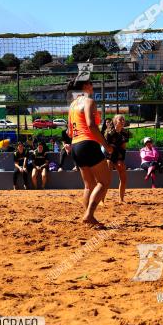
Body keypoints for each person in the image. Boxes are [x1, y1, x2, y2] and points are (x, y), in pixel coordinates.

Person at [66, 77, 112, 226]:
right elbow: (91, 126)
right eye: (91, 83)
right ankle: (89, 215)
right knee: (104, 182)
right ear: (85, 86)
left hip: (76, 146)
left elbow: (69, 132)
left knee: (89, 185)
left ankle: (89, 219)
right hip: (88, 144)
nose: (93, 86)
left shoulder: (72, 105)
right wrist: (106, 145)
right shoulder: (89, 102)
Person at [104, 114, 129, 203]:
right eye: (120, 120)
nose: (122, 121)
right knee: (106, 180)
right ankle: (101, 200)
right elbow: (107, 147)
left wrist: (121, 160)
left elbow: (123, 147)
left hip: (119, 155)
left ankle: (121, 200)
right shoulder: (109, 132)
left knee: (124, 178)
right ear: (115, 121)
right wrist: (111, 157)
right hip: (109, 155)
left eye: (123, 120)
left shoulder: (125, 132)